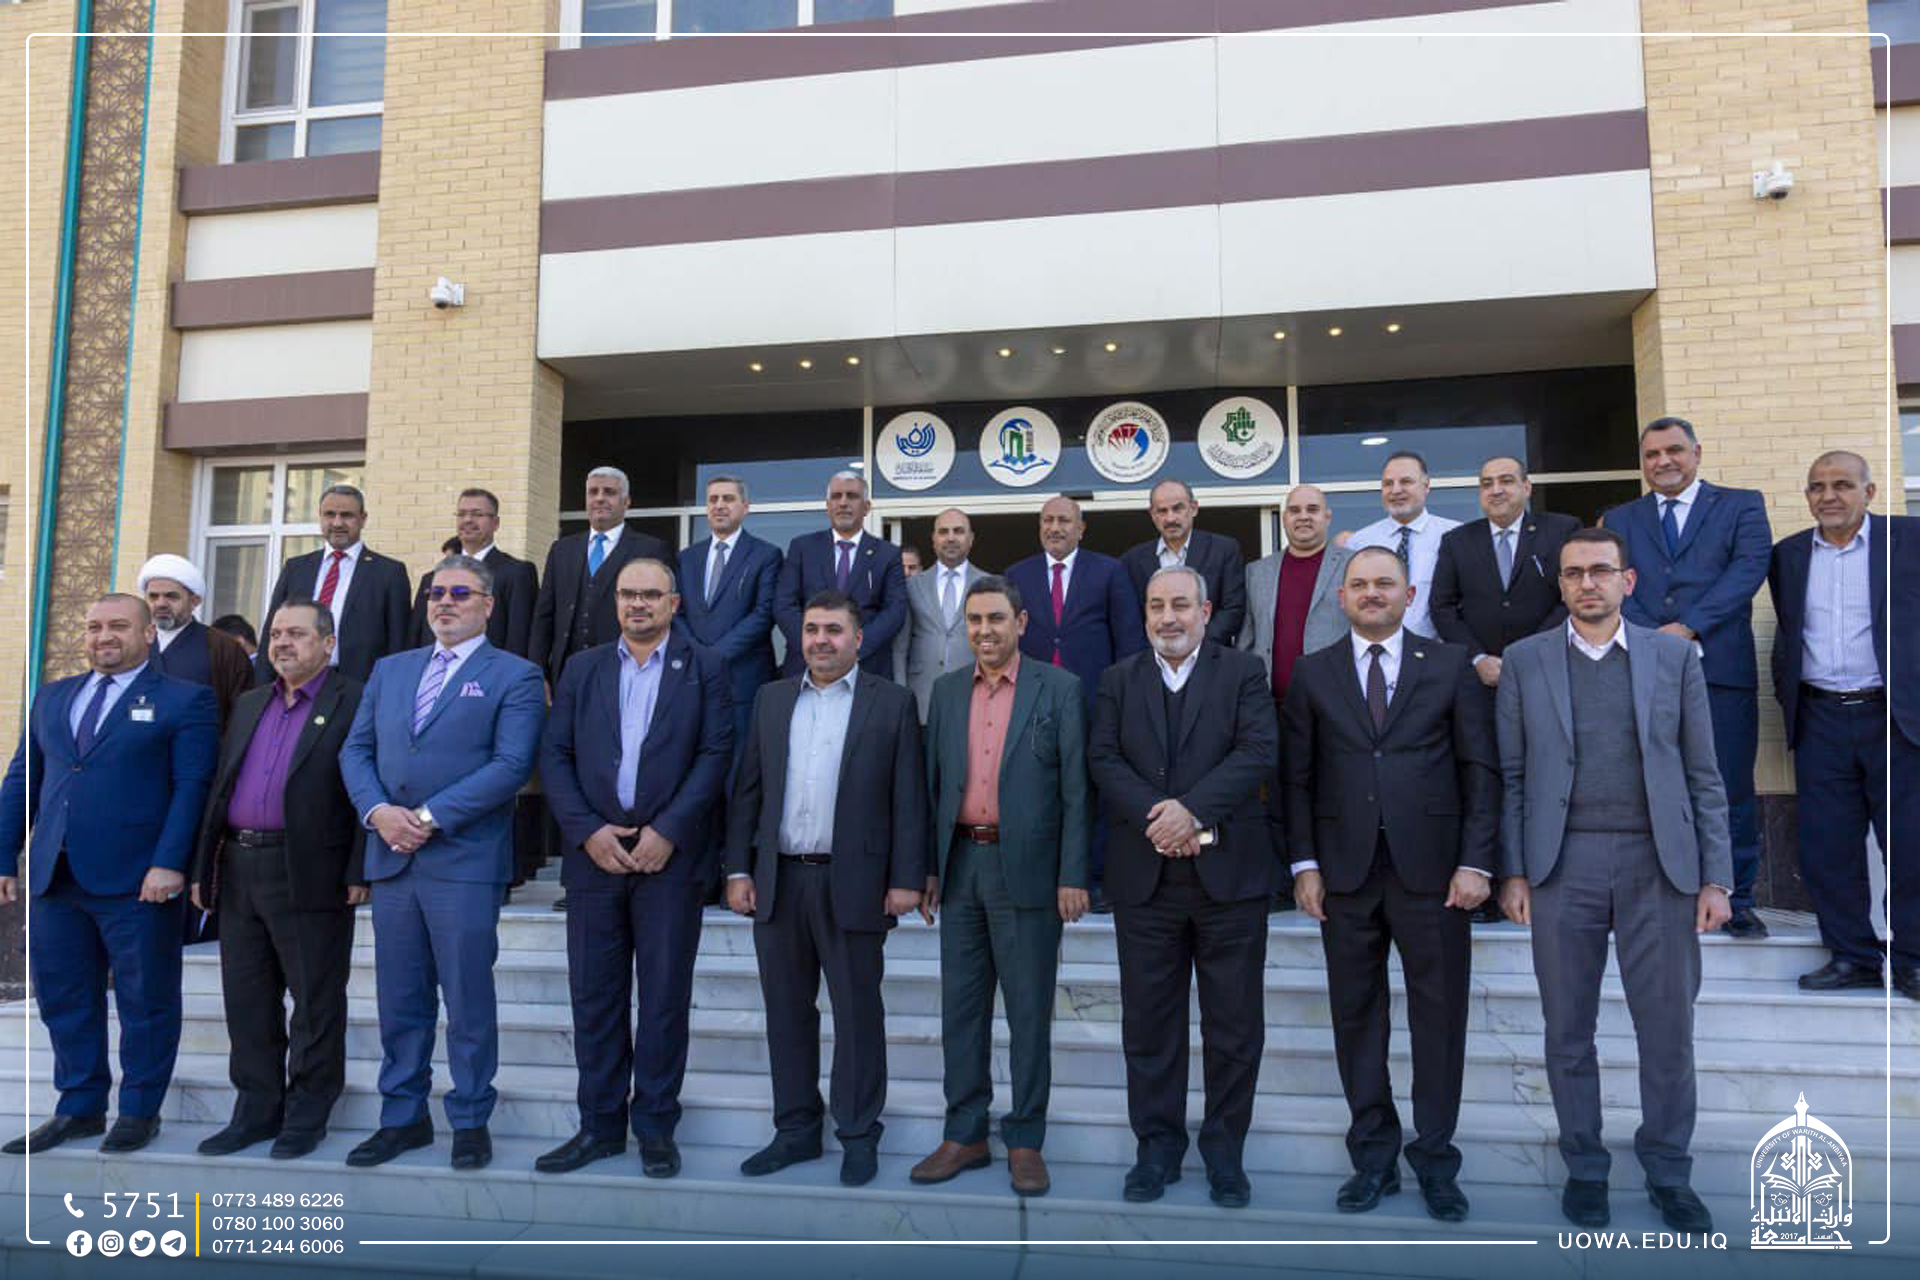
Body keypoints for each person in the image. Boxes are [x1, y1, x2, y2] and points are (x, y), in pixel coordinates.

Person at [1497, 527, 1731, 1232]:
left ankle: (1668, 1170)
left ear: (1627, 581)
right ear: (1561, 584)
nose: (1587, 583)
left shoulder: (1673, 656)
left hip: (1658, 866)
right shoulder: (1526, 660)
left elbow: (1704, 773)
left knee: (1668, 1031)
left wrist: (1716, 878)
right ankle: (1586, 1168)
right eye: (1574, 573)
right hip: (1561, 866)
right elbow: (1512, 776)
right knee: (1568, 1029)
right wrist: (1514, 870)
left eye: (1601, 570)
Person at [1283, 547, 1496, 1223]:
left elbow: (1479, 769)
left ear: (1410, 595)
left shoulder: (1451, 665)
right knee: (1357, 1019)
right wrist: (1304, 864)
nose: (1372, 593)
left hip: (1435, 875)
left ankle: (1434, 1159)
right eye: (1360, 585)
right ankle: (1373, 1158)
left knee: (1440, 1020)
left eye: (1385, 584)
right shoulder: (1312, 672)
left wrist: (1477, 862)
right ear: (1341, 598)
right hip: (1344, 876)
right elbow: (1296, 779)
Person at [338, 555, 546, 1172]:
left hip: (463, 861)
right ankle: (402, 1118)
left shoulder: (516, 675)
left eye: (460, 592)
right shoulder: (391, 669)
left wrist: (426, 818)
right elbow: (356, 750)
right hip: (392, 858)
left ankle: (471, 1118)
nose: (445, 602)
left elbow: (512, 766)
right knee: (400, 999)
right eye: (436, 593)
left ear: (488, 604)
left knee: (466, 997)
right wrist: (379, 813)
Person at [0, 595, 218, 1156]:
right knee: (65, 998)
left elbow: (192, 788)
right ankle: (79, 1107)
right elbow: (22, 779)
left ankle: (139, 1111)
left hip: (140, 880)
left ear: (147, 633)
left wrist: (170, 862)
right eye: (94, 626)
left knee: (147, 1001)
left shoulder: (185, 699)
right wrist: (4, 856)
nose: (103, 636)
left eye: (118, 626)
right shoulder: (53, 697)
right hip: (55, 875)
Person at [1088, 567, 1278, 1209]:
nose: (1167, 617)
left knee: (1234, 1027)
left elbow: (1257, 751)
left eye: (1179, 605)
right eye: (1156, 606)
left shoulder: (1244, 672)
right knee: (1149, 1026)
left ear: (1206, 610)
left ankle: (1225, 1154)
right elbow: (1103, 758)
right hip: (1145, 883)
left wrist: (1191, 812)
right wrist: (1161, 819)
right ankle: (1157, 1150)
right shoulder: (1117, 680)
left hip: (1230, 882)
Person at [536, 559, 733, 1178]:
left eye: (651, 594)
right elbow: (555, 753)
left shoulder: (706, 666)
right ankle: (598, 1127)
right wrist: (586, 832)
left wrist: (668, 830)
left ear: (675, 603)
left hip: (669, 861)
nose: (638, 604)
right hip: (594, 859)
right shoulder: (583, 668)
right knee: (595, 998)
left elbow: (716, 753)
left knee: (664, 998)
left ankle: (655, 1127)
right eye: (628, 594)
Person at [724, 590, 927, 1187]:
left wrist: (907, 880)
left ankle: (858, 1133)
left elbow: (909, 798)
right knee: (787, 1013)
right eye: (811, 629)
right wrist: (738, 869)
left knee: (857, 1014)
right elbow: (748, 790)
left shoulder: (891, 702)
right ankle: (795, 1130)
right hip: (780, 881)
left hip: (856, 883)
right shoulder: (772, 699)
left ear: (858, 639)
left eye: (833, 630)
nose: (820, 640)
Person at [912, 575, 1089, 1198]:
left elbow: (1076, 790)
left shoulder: (1059, 688)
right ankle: (965, 1133)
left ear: (1021, 623)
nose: (983, 631)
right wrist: (928, 869)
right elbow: (933, 786)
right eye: (974, 620)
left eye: (995, 618)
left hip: (1030, 873)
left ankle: (1025, 1139)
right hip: (961, 866)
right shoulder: (946, 690)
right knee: (961, 1011)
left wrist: (1073, 874)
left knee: (1028, 1012)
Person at [187, 599, 366, 1160]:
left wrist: (359, 868)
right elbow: (220, 786)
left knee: (315, 999)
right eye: (276, 634)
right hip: (240, 865)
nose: (282, 643)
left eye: (297, 634)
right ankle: (256, 1110)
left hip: (311, 868)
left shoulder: (355, 700)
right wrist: (202, 867)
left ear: (328, 643)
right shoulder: (250, 702)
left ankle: (308, 1111)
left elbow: (369, 784)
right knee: (248, 998)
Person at [1602, 417, 1771, 938]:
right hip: (1643, 669)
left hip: (1719, 669)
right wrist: (1653, 636)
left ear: (1696, 453)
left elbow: (1748, 570)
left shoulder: (1741, 505)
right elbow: (1613, 580)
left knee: (1727, 783)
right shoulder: (1621, 517)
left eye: (1674, 450)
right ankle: (1657, 892)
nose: (1663, 461)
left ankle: (1736, 898)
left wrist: (1688, 626)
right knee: (1647, 781)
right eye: (1652, 454)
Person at [1768, 452, 1917, 998]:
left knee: (1910, 844)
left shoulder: (1909, 541)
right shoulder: (1788, 555)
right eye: (1817, 486)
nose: (1828, 496)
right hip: (1821, 717)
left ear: (1869, 492)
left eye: (1842, 485)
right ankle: (1852, 956)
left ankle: (1912, 959)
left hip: (1895, 718)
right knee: (1827, 848)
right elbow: (1790, 631)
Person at [1007, 495, 1144, 912]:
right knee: (1039, 791)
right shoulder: (1016, 575)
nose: (1055, 528)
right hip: (1033, 705)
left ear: (1081, 529)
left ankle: (1094, 878)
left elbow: (1129, 642)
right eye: (1047, 520)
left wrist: (1123, 702)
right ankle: (1043, 877)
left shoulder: (1109, 571)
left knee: (1092, 791)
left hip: (1094, 703)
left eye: (1064, 520)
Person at [1429, 456, 1580, 690]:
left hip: (1547, 668)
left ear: (1526, 488)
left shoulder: (1561, 530)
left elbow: (1572, 597)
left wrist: (1533, 650)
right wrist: (1477, 658)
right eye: (1487, 484)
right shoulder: (1457, 541)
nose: (1496, 490)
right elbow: (1442, 607)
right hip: (1480, 678)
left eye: (1506, 481)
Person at [530, 466, 673, 688]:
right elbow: (544, 616)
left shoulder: (651, 549)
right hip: (565, 674)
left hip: (625, 672)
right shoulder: (562, 549)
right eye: (593, 492)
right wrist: (538, 672)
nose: (599, 498)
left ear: (626, 502)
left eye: (609, 492)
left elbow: (663, 615)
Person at [255, 483, 411, 683]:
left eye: (346, 515)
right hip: (296, 682)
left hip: (359, 686)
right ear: (320, 517)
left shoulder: (388, 573)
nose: (337, 523)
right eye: (329, 514)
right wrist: (263, 689)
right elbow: (272, 630)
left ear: (363, 519)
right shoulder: (296, 568)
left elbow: (399, 643)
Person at [677, 474, 781, 753]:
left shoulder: (766, 555)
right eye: (713, 499)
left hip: (743, 682)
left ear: (745, 507)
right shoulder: (687, 558)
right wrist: (698, 653)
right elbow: (676, 613)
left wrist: (715, 655)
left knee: (741, 764)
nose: (719, 505)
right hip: (694, 678)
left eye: (728, 499)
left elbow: (764, 613)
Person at [772, 471, 908, 680]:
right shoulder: (802, 548)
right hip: (806, 667)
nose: (843, 503)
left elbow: (895, 610)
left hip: (866, 667)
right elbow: (783, 604)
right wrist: (813, 645)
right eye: (836, 496)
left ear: (866, 507)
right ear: (827, 506)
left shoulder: (887, 554)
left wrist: (853, 649)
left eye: (852, 496)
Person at [1240, 484, 1353, 710]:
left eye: (1312, 509)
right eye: (1294, 510)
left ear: (1327, 517)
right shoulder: (1256, 571)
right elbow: (1247, 641)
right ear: (1284, 518)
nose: (1303, 517)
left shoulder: (1353, 565)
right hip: (1270, 705)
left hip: (1335, 702)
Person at [1345, 451, 1461, 642]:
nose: (1396, 490)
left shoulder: (1455, 536)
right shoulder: (1360, 542)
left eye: (1406, 481)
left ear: (1426, 486)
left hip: (1440, 651)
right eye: (1388, 483)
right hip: (1377, 651)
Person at [407, 488, 539, 656]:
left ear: (496, 523)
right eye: (461, 514)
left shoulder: (517, 573)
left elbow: (519, 639)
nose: (468, 520)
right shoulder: (430, 579)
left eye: (477, 514)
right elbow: (416, 641)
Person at [1121, 479, 1247, 644]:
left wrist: (1194, 646)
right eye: (1162, 511)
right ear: (1152, 514)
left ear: (1194, 508)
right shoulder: (1132, 560)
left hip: (1209, 653)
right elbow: (1131, 618)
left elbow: (1233, 609)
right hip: (1155, 655)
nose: (1170, 518)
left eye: (1177, 508)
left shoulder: (1223, 550)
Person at [139, 554, 252, 728]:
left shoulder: (223, 647)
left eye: (171, 596)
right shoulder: (135, 643)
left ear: (194, 601)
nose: (161, 603)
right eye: (153, 597)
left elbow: (243, 715)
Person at [897, 508, 985, 721]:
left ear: (971, 538)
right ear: (934, 539)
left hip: (974, 697)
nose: (951, 538)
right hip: (921, 698)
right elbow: (900, 649)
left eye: (958, 531)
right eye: (944, 532)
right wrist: (900, 694)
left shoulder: (988, 584)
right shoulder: (912, 586)